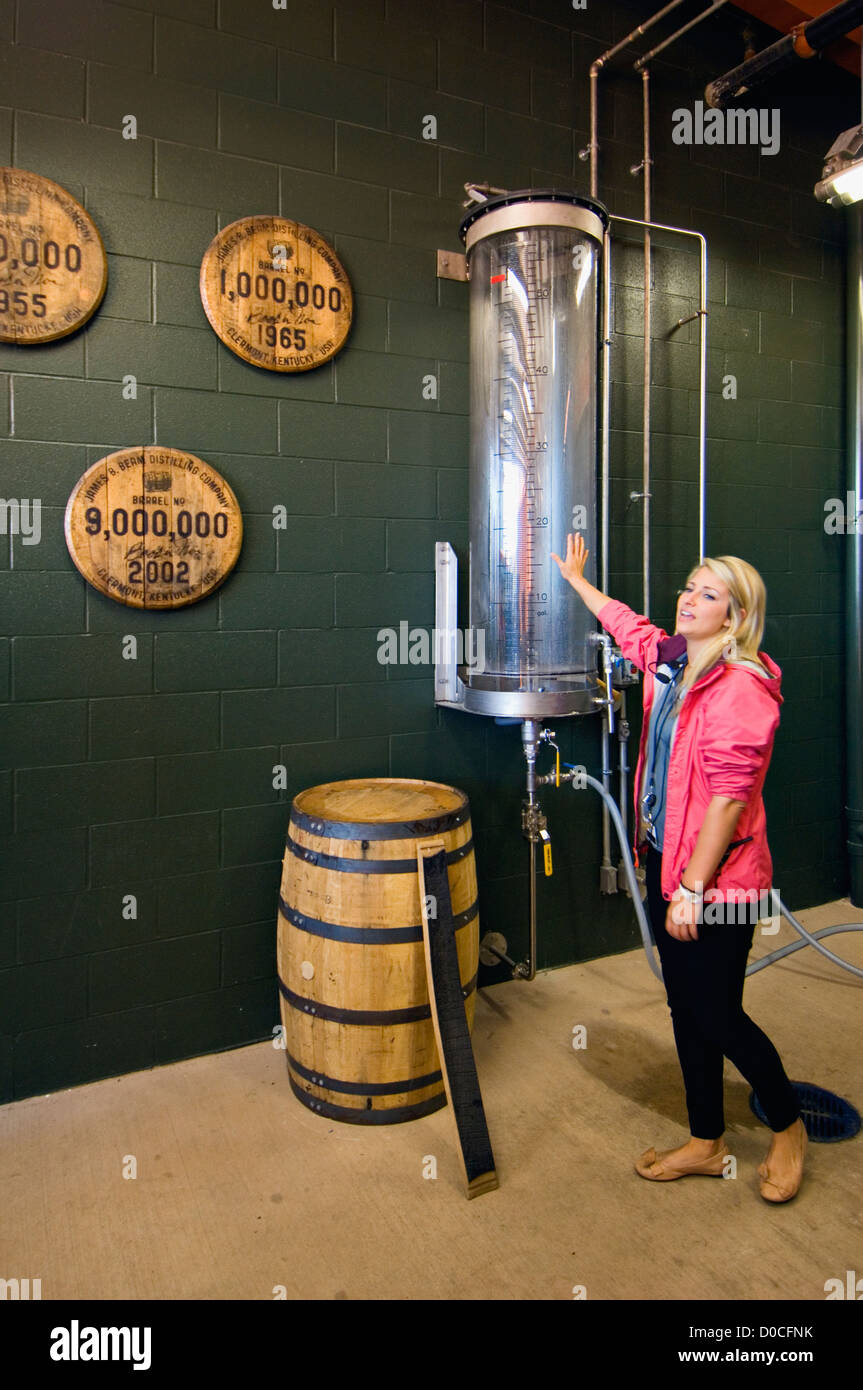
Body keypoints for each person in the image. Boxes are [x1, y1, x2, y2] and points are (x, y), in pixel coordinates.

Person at [551, 533, 807, 1203]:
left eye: (708, 593)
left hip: (718, 878)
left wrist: (691, 889)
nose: (688, 599)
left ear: (736, 616)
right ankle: (704, 1140)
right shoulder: (673, 663)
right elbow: (629, 628)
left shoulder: (740, 687)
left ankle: (788, 1128)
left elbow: (726, 803)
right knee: (685, 1007)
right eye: (689, 587)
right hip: (669, 865)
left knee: (718, 1014)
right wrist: (576, 580)